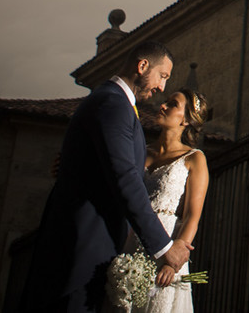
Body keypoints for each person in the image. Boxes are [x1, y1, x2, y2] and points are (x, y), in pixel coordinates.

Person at [22, 41, 189, 313]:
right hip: (84, 242)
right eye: (163, 76)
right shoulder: (113, 104)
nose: (162, 88)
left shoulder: (112, 102)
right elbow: (125, 178)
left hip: (91, 241)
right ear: (142, 65)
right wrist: (163, 247)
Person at [109, 88, 210, 313]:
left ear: (186, 119)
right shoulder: (141, 153)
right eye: (165, 102)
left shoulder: (194, 158)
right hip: (130, 240)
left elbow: (192, 215)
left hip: (166, 247)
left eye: (172, 104)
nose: (162, 106)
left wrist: (174, 259)